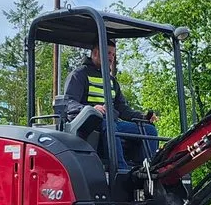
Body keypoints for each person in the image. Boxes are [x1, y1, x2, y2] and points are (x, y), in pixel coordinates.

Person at [62, 39, 158, 170]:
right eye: (108, 53)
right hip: (88, 123)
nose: (111, 57)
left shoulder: (111, 81)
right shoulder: (79, 75)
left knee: (149, 130)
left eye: (113, 54)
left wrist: (143, 117)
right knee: (110, 126)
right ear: (95, 53)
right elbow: (69, 103)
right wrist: (90, 109)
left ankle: (146, 169)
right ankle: (120, 170)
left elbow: (122, 109)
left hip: (112, 123)